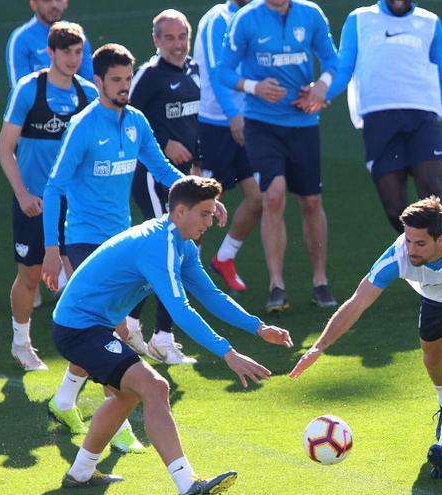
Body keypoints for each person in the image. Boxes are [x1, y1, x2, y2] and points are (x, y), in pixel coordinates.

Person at [54, 175, 292, 493]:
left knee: (128, 394)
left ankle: (81, 472)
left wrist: (258, 327)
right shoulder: (159, 245)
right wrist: (229, 354)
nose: (211, 221)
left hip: (93, 324)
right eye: (205, 213)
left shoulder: (181, 244)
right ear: (180, 211)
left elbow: (210, 295)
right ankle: (186, 483)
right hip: (78, 327)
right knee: (154, 387)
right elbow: (181, 311)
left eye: (212, 212)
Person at [41, 43, 218, 454]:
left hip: (121, 239)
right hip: (86, 238)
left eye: (127, 79)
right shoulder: (83, 126)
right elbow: (54, 186)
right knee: (113, 332)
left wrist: (202, 198)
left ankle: (64, 400)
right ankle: (116, 423)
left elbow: (162, 170)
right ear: (99, 81)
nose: (123, 87)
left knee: (97, 331)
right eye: (115, 80)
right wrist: (52, 249)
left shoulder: (136, 120)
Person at [290, 197, 442, 460]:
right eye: (408, 240)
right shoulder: (397, 257)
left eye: (419, 243)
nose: (411, 250)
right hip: (434, 296)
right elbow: (357, 302)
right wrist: (319, 347)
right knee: (432, 359)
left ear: (440, 239)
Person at [217, 0, 340, 311]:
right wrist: (255, 87)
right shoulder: (246, 19)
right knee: (273, 195)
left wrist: (321, 87)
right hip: (262, 123)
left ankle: (320, 281)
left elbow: (331, 60)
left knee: (311, 202)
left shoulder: (310, 14)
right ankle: (276, 284)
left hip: (303, 122)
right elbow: (223, 70)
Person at [316, 0, 442, 233]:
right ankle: (417, 256)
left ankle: (441, 259)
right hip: (378, 119)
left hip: (422, 116)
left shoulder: (430, 22)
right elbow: (344, 69)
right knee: (395, 209)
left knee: (431, 192)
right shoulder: (359, 19)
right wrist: (320, 94)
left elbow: (441, 72)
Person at [0, 22, 97, 371]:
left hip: (75, 204)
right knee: (30, 275)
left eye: (78, 52)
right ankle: (21, 343)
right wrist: (22, 194)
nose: (73, 59)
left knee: (84, 272)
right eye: (66, 51)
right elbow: (5, 147)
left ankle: (85, 346)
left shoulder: (88, 94)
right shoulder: (29, 90)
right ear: (51, 53)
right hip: (35, 202)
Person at [128, 9, 202, 365]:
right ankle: (162, 337)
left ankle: (128, 321)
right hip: (152, 176)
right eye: (169, 38)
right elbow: (126, 119)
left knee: (170, 252)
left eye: (182, 37)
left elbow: (195, 122)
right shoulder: (149, 76)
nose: (176, 45)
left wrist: (198, 162)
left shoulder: (194, 72)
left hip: (185, 178)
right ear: (155, 40)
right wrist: (164, 141)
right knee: (171, 249)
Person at [193, 0, 263, 295]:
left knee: (259, 198)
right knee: (199, 203)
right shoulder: (217, 20)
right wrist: (233, 115)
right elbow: (215, 72)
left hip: (246, 121)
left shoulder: (259, 16)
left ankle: (224, 258)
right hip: (214, 123)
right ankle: (187, 272)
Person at [6, 0, 94, 88]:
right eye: (47, 0)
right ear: (34, 4)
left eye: (59, 0)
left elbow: (90, 81)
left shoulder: (77, 34)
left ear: (66, 2)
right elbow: (20, 89)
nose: (54, 5)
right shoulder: (20, 38)